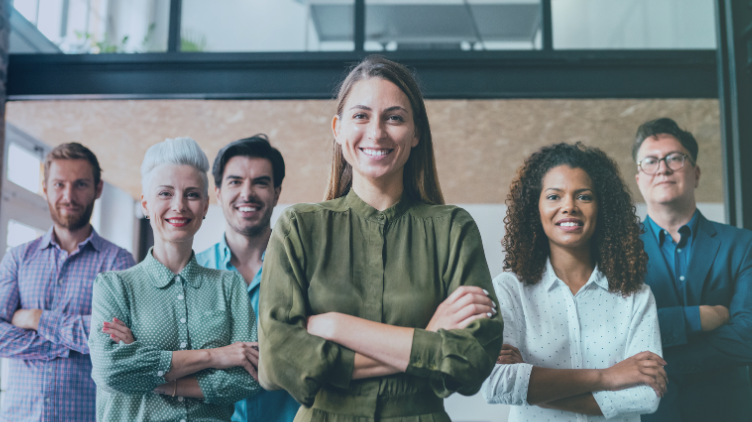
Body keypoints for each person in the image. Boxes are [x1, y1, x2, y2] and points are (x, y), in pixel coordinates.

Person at [258, 55, 504, 422]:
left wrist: (338, 327)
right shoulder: (299, 228)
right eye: (361, 116)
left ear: (416, 132)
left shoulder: (453, 229)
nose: (376, 133)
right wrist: (427, 338)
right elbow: (277, 362)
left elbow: (472, 360)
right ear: (338, 129)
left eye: (394, 117)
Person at [482, 143, 666, 421]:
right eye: (554, 196)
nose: (569, 206)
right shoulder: (510, 289)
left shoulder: (636, 295)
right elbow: (496, 384)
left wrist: (534, 389)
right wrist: (608, 376)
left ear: (602, 207)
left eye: (583, 196)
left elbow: (646, 394)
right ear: (536, 207)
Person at [88, 137, 261, 422]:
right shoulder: (113, 287)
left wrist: (156, 374)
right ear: (146, 204)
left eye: (192, 194)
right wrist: (216, 356)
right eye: (165, 194)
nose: (179, 205)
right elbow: (111, 371)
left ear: (205, 206)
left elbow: (248, 378)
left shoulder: (229, 285)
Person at [0, 142, 135, 422]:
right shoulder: (17, 258)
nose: (68, 196)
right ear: (45, 187)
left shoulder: (118, 262)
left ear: (98, 189)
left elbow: (115, 339)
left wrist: (37, 318)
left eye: (81, 184)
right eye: (59, 184)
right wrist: (73, 343)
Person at [632, 118, 752, 422]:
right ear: (639, 179)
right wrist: (698, 317)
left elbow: (748, 334)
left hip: (728, 410)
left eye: (674, 157)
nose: (662, 168)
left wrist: (656, 360)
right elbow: (615, 330)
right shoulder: (616, 251)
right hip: (647, 413)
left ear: (695, 173)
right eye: (650, 161)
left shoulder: (742, 244)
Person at [197, 135, 300, 422]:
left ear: (277, 192)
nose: (247, 193)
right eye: (235, 181)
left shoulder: (305, 270)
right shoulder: (190, 272)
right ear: (217, 192)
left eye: (260, 182)